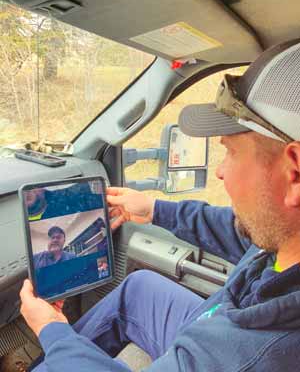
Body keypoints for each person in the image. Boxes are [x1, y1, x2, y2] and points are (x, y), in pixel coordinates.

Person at [20, 38, 300, 371]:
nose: (221, 171)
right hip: (217, 318)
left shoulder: (249, 357)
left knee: (61, 354)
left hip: (214, 343)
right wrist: (154, 209)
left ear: (294, 172)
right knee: (140, 288)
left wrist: (52, 331)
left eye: (231, 151)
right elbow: (244, 236)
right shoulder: (285, 241)